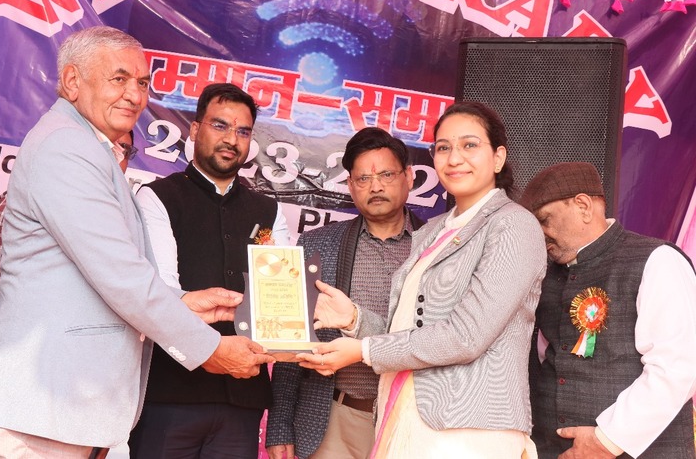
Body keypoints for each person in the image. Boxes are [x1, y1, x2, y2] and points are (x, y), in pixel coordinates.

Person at [0, 27, 273, 457]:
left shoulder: (91, 149)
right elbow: (120, 276)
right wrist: (209, 349)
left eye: (142, 83)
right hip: (40, 405)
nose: (134, 95)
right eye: (119, 79)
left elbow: (108, 275)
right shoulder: (66, 148)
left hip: (63, 409)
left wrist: (182, 303)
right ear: (72, 81)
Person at [298, 102, 546, 458]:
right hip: (406, 419)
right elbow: (414, 331)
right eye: (443, 147)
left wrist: (363, 350)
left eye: (469, 145)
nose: (454, 158)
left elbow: (465, 336)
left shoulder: (513, 225)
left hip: (469, 430)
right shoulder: (434, 231)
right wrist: (354, 319)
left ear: (498, 157)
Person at [128, 82, 290, 458]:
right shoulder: (158, 197)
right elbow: (161, 295)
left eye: (243, 131)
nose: (231, 139)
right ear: (195, 129)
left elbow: (280, 301)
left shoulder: (268, 211)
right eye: (220, 125)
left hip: (243, 399)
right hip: (170, 395)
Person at [519, 162, 696, 459]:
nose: (540, 234)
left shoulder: (657, 260)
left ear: (583, 206)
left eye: (545, 220)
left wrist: (607, 440)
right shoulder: (544, 274)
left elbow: (676, 367)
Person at [266, 127, 423, 459]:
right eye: (363, 178)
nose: (375, 186)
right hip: (335, 420)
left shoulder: (436, 245)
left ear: (408, 177)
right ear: (350, 185)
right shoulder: (318, 244)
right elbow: (291, 341)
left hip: (411, 420)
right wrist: (280, 424)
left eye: (386, 175)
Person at [0, 130, 137, 391]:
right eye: (106, 145)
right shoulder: (27, 199)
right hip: (11, 383)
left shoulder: (126, 222)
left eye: (123, 149)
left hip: (81, 392)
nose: (114, 156)